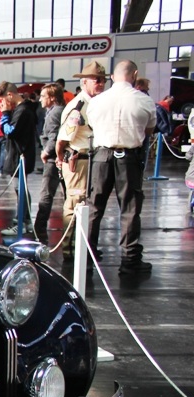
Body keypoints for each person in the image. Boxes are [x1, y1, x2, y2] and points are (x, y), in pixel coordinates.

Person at [86, 59, 157, 275]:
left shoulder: (97, 101)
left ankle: (87, 255)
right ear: (134, 74)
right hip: (128, 158)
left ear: (113, 76)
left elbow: (91, 125)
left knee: (94, 207)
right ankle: (130, 259)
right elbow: (149, 130)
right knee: (130, 209)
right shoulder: (143, 101)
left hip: (101, 157)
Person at [55, 61, 107, 259]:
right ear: (84, 82)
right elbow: (62, 140)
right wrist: (61, 159)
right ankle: (70, 250)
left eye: (102, 80)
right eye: (96, 80)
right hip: (79, 161)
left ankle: (83, 247)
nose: (100, 83)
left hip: (92, 159)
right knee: (75, 204)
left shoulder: (95, 103)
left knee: (88, 205)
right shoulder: (78, 106)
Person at [0, 81, 37, 234]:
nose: (2, 103)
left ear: (9, 95)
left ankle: (20, 222)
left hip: (20, 156)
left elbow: (10, 131)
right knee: (21, 189)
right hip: (21, 155)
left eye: (3, 99)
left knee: (20, 189)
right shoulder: (24, 109)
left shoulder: (22, 111)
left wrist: (5, 114)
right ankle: (25, 221)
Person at [32, 84, 66, 242]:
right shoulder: (57, 111)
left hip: (53, 160)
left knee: (46, 195)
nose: (40, 99)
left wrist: (46, 152)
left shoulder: (54, 114)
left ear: (52, 97)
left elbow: (54, 136)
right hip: (58, 158)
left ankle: (39, 230)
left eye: (43, 96)